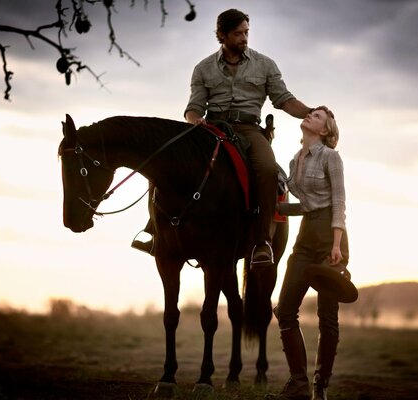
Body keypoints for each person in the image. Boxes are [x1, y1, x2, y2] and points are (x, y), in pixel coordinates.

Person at [132, 8, 313, 268]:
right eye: (238, 33)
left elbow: (284, 100)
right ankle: (155, 232)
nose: (244, 38)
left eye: (246, 32)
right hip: (212, 130)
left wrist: (311, 111)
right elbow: (194, 107)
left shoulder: (265, 64)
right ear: (222, 35)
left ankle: (261, 242)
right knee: (168, 163)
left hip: (249, 129)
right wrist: (196, 121)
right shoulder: (203, 68)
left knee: (267, 169)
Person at [268, 106, 348, 400]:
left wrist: (336, 245)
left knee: (327, 317)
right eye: (310, 113)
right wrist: (277, 209)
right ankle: (299, 383)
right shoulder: (293, 160)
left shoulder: (330, 157)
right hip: (305, 238)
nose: (309, 116)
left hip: (330, 238)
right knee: (285, 310)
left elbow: (338, 202)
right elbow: (305, 205)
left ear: (325, 131)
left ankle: (321, 385)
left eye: (317, 116)